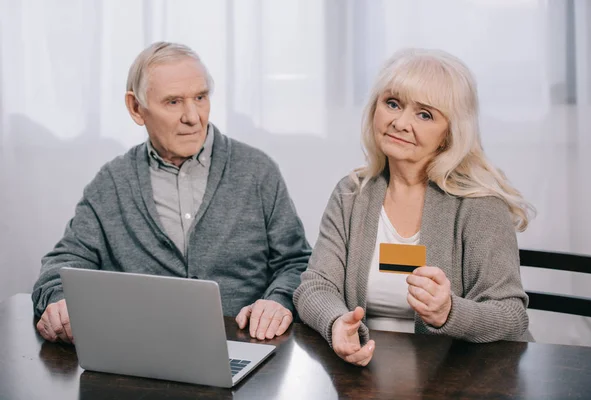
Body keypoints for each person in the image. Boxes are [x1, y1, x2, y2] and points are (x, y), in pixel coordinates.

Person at [32, 42, 311, 344]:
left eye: (200, 98)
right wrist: (59, 300)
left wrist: (278, 301)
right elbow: (63, 262)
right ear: (136, 108)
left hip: (245, 347)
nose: (193, 116)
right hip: (143, 353)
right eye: (174, 102)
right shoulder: (112, 182)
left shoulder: (257, 171)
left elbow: (296, 263)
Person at [293, 48, 534, 366]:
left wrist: (449, 312)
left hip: (459, 378)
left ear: (449, 134)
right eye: (392, 103)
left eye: (424, 114)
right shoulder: (352, 192)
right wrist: (337, 322)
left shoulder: (479, 204)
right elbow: (316, 285)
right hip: (364, 373)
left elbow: (511, 316)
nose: (400, 122)